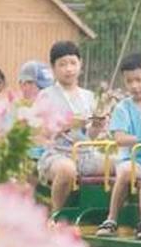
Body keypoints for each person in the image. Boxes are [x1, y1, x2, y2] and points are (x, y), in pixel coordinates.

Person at [97, 54, 141, 237]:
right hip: (134, 157)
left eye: (139, 79)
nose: (135, 86)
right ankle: (112, 217)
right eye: (129, 81)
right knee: (127, 171)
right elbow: (120, 138)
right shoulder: (124, 107)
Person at [33, 40, 102, 212]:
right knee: (67, 170)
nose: (69, 69)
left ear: (80, 64)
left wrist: (97, 125)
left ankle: (104, 217)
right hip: (57, 154)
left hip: (86, 154)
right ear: (53, 68)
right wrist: (63, 126)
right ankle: (56, 215)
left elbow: (91, 137)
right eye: (62, 64)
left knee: (120, 166)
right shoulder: (45, 96)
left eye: (73, 63)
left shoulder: (89, 96)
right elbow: (37, 134)